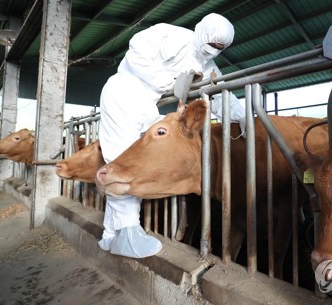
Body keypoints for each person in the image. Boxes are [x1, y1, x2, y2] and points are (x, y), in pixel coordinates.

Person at [98, 13, 245, 258]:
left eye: (220, 49)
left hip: (148, 105)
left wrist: (242, 115)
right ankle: (127, 232)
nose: (213, 51)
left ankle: (109, 234)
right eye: (212, 45)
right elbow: (136, 54)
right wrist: (172, 82)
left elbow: (219, 91)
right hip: (126, 92)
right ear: (202, 34)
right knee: (122, 164)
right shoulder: (170, 35)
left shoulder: (208, 63)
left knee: (132, 161)